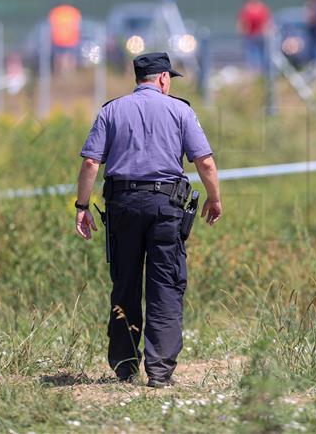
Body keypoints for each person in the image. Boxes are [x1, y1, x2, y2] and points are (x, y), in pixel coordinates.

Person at [74, 52, 222, 388]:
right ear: (163, 79)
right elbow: (206, 163)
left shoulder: (111, 110)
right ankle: (159, 371)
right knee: (165, 286)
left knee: (125, 284)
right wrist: (214, 199)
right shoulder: (181, 111)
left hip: (122, 205)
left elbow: (90, 165)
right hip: (167, 207)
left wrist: (82, 206)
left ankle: (126, 366)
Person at [237, 0, 272, 71]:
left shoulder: (262, 8)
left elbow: (267, 23)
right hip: (250, 37)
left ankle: (262, 72)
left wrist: (266, 33)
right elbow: (242, 23)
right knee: (251, 57)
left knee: (262, 56)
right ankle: (254, 72)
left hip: (260, 37)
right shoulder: (246, 9)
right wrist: (242, 33)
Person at [48, 3, 82, 74]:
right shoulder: (73, 11)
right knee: (70, 57)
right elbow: (78, 25)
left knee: (60, 58)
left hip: (59, 39)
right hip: (70, 39)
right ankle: (69, 73)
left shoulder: (56, 12)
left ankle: (61, 74)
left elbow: (51, 26)